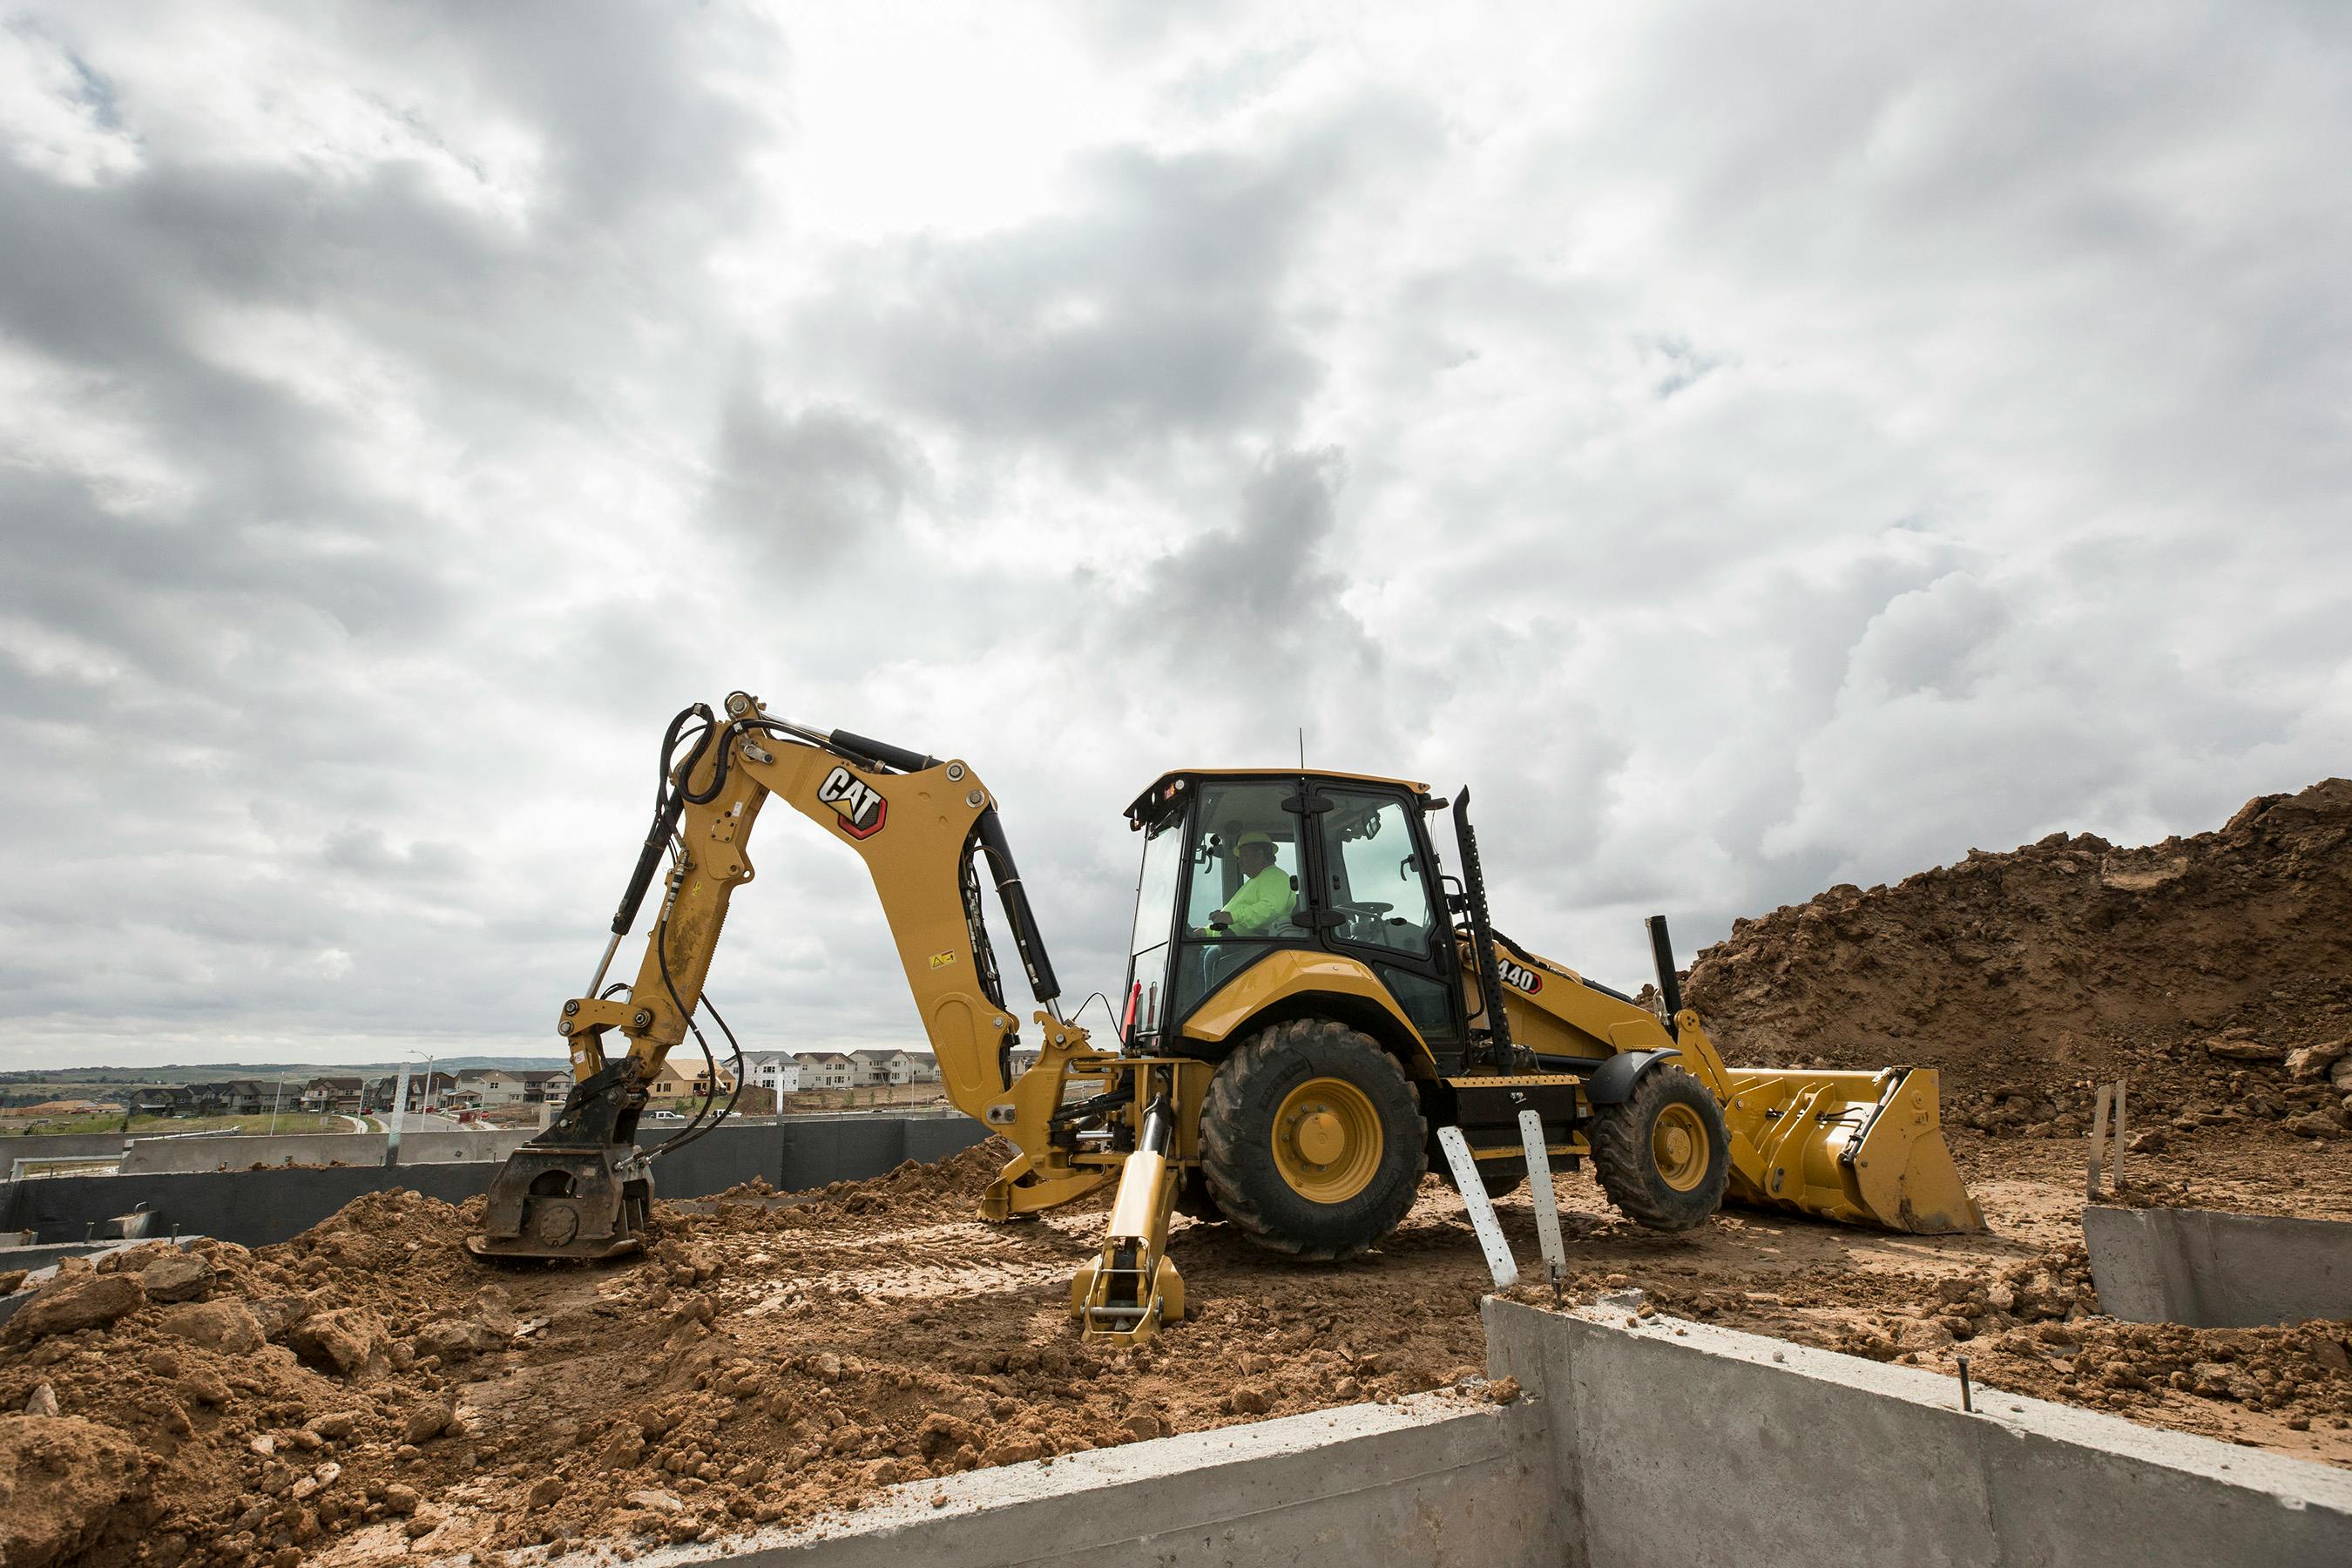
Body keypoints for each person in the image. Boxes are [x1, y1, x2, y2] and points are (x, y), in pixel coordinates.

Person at [1202, 831, 1295, 936]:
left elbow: (1270, 909)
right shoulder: (1255, 881)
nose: (1239, 861)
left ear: (1260, 854)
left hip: (1258, 944)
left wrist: (1233, 916)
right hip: (1235, 942)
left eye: (1243, 855)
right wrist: (1207, 932)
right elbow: (1234, 916)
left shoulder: (1275, 876)